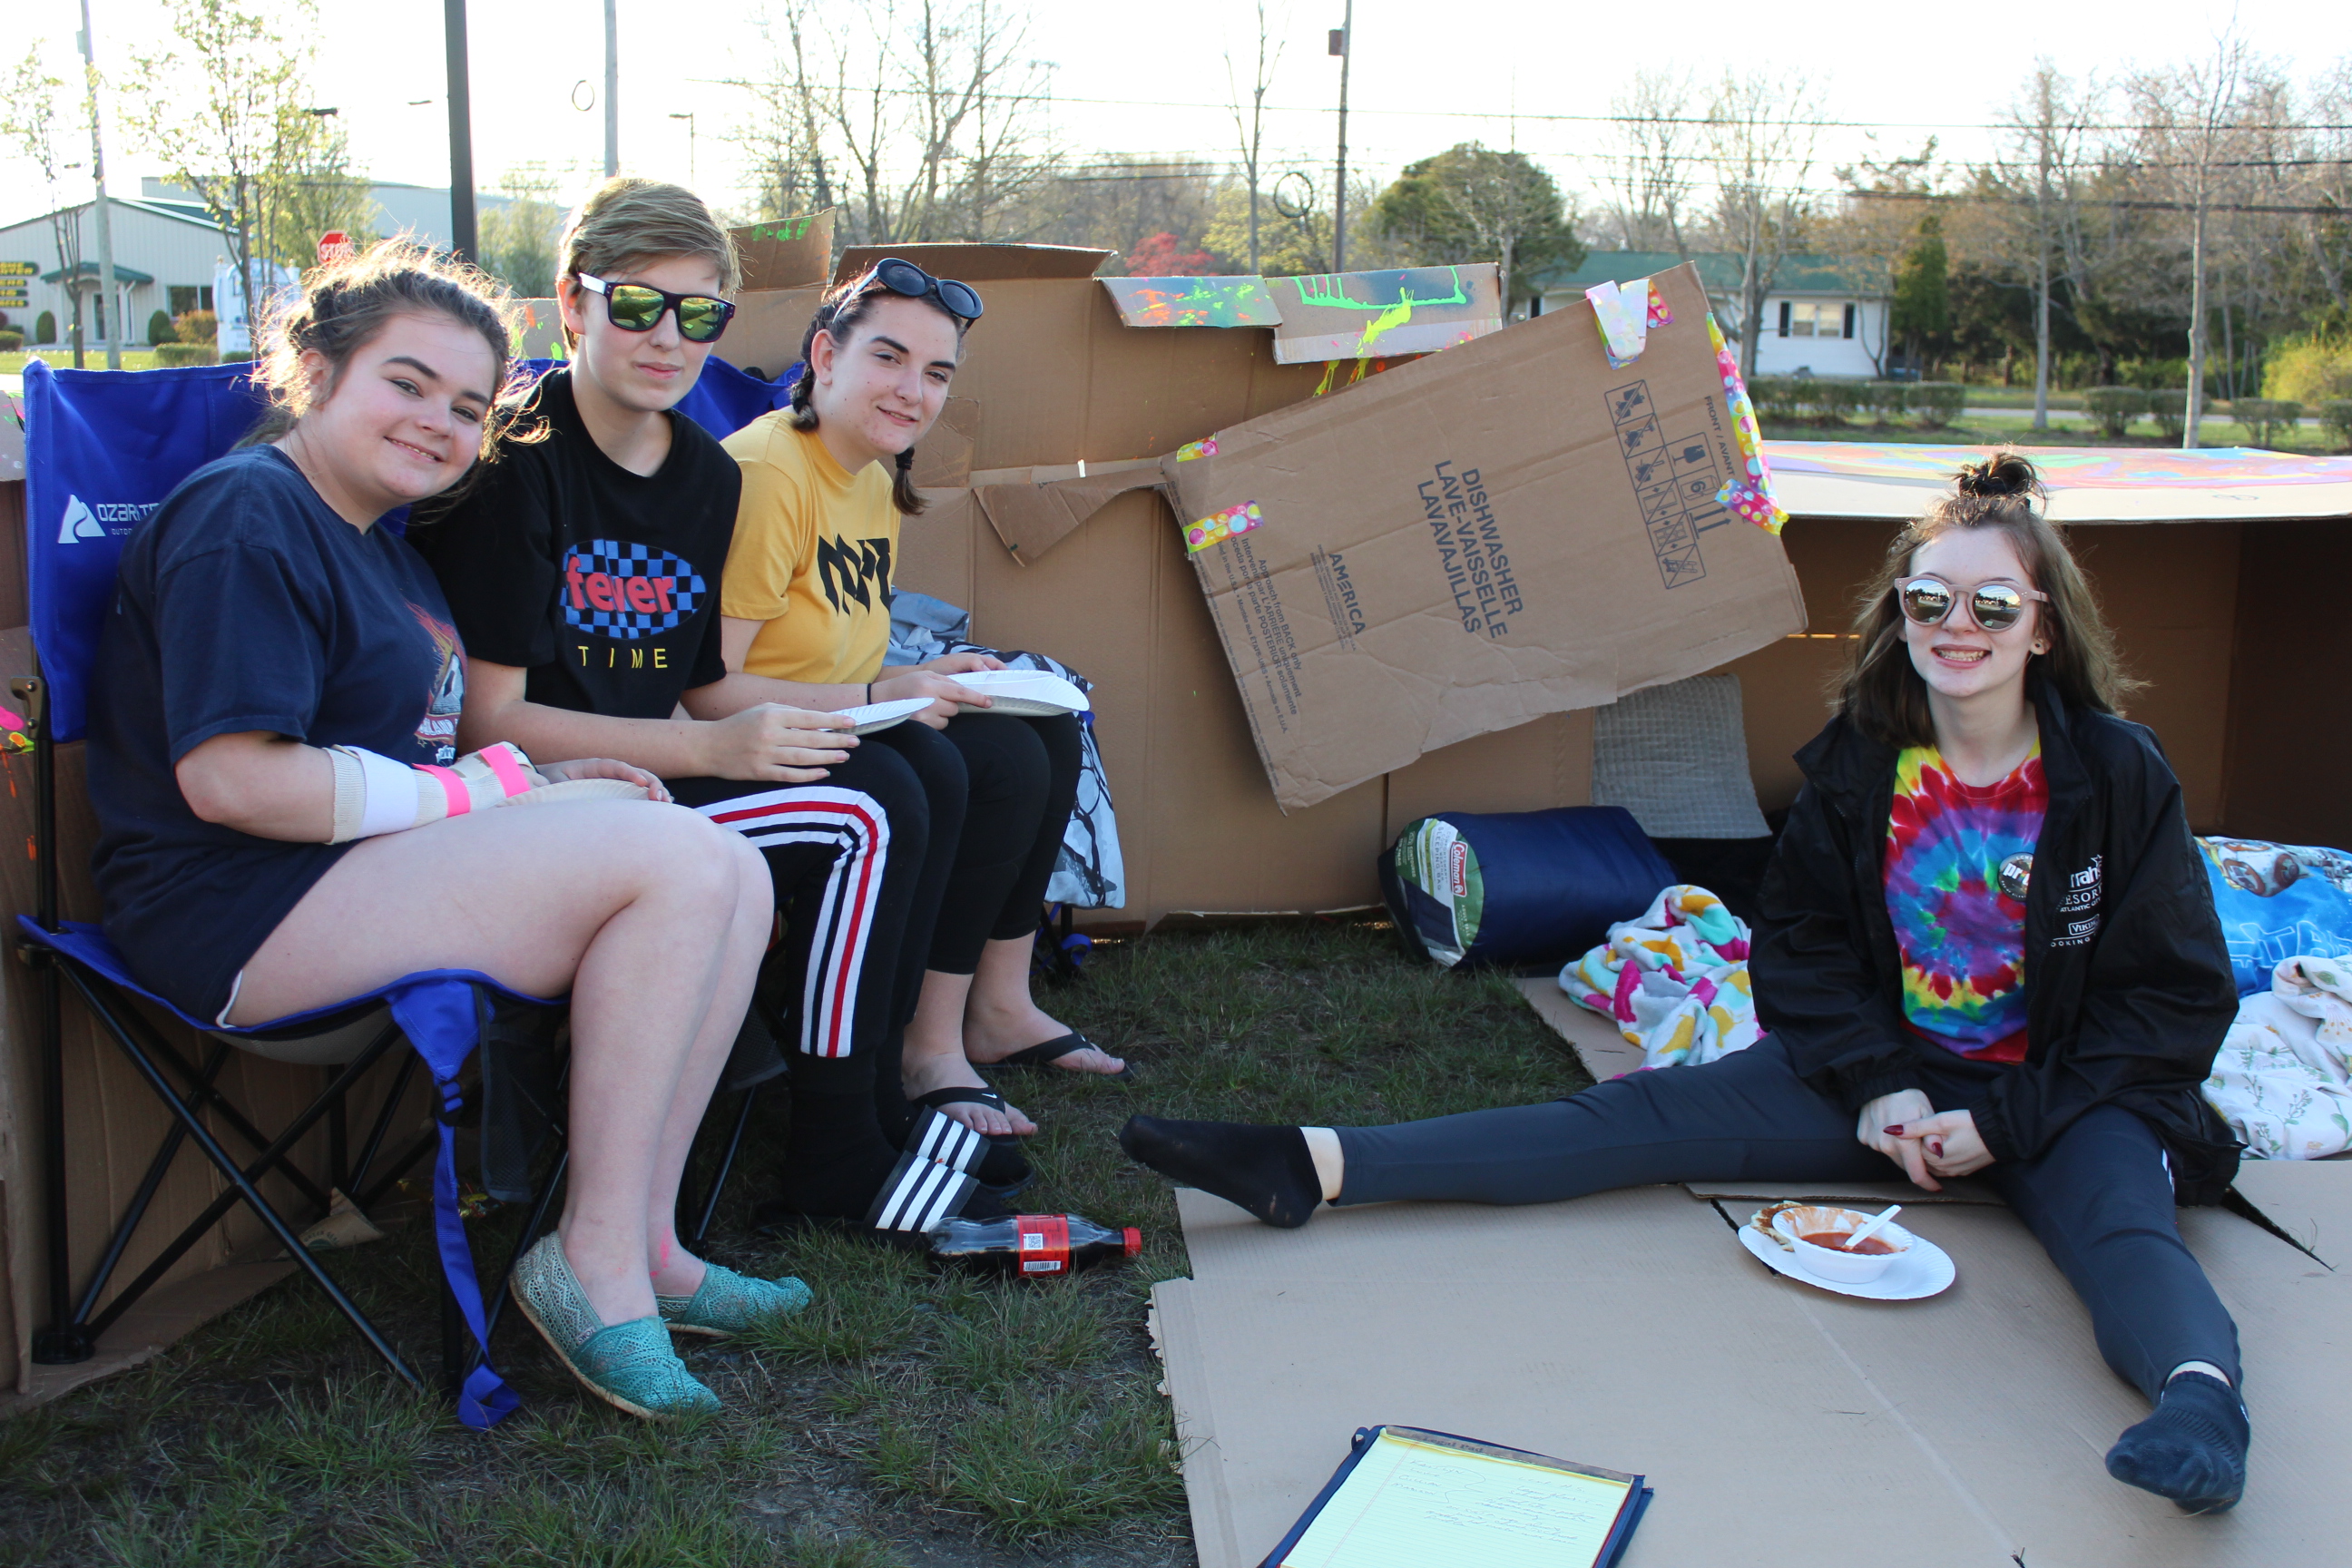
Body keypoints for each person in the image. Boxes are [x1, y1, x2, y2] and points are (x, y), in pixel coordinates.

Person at [1120, 453, 2254, 1514]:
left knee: (2123, 1225)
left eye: (1994, 606)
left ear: (2045, 626)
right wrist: (1879, 1088)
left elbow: (2175, 997)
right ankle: (1310, 1165)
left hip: (2060, 1093)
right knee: (1634, 1116)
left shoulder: (2114, 773)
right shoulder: (1866, 758)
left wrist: (2003, 1119)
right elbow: (1800, 946)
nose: (1960, 628)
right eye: (1930, 601)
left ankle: (2201, 1409)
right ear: (1899, 614)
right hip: (1888, 1082)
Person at [85, 240, 803, 1422]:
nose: (438, 421)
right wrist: (482, 797)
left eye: (469, 406)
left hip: (345, 878)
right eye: (405, 383)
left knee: (727, 859)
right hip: (232, 911)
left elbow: (405, 762)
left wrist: (533, 780)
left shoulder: (382, 544)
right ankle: (592, 1263)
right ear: (313, 372)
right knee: (676, 863)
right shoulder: (247, 516)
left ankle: (652, 1245)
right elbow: (235, 785)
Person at [413, 181, 1000, 1233]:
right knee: (868, 811)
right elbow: (486, 722)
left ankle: (873, 1103)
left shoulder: (699, 476)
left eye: (700, 314)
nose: (667, 337)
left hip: (662, 780)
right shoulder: (516, 468)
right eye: (637, 305)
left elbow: (694, 680)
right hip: (546, 802)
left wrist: (759, 731)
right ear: (573, 305)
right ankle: (832, 1151)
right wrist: (710, 748)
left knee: (917, 769)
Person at [719, 257, 1125, 1158]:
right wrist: (881, 695)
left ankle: (1000, 1005)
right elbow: (708, 691)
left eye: (936, 373)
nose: (913, 391)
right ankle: (928, 1045)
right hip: (766, 748)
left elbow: (836, 638)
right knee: (991, 764)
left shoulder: (869, 472)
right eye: (890, 359)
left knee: (1046, 725)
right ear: (825, 355)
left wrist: (931, 675)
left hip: (845, 716)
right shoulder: (767, 473)